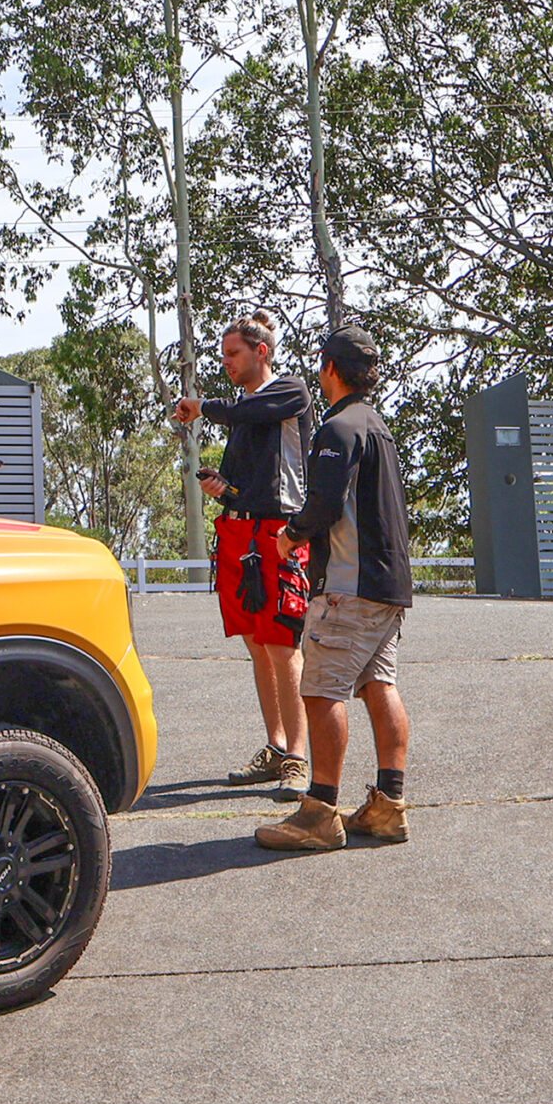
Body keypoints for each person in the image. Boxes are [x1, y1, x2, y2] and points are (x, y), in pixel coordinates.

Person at [256, 325, 414, 852]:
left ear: (329, 370)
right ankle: (388, 807)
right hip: (390, 585)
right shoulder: (380, 428)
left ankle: (320, 812)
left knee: (321, 690)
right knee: (378, 685)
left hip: (348, 585)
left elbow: (325, 504)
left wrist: (291, 535)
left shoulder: (339, 427)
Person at [169, 310, 314, 800]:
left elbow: (250, 411)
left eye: (234, 354)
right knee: (255, 642)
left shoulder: (290, 393)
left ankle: (298, 756)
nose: (227, 362)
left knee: (281, 643)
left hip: (280, 531)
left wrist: (201, 405)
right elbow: (243, 483)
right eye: (225, 355)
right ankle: (275, 747)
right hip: (240, 532)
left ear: (261, 352)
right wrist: (222, 490)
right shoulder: (241, 411)